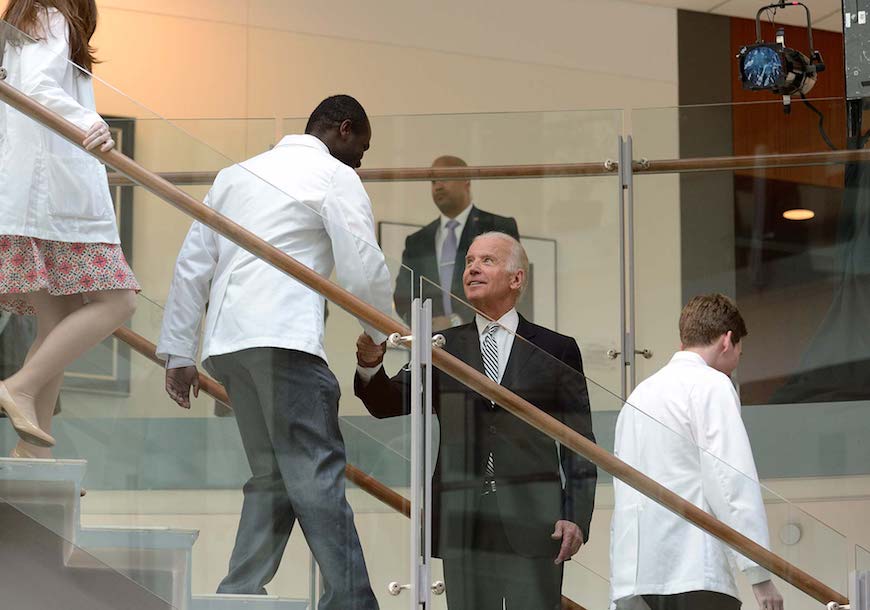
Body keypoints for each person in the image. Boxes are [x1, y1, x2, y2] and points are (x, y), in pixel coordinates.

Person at [156, 95, 391, 610]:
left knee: (274, 476)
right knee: (318, 471)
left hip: (229, 347)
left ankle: (239, 593)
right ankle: (352, 602)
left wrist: (178, 352)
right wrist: (383, 333)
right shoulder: (333, 175)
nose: (361, 162)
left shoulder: (236, 174)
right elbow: (361, 263)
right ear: (344, 130)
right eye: (362, 148)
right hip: (284, 341)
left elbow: (194, 263)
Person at [356, 232, 597, 610]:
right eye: (469, 261)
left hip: (535, 522)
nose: (472, 269)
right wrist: (370, 365)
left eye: (487, 260)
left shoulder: (556, 348)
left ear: (516, 279)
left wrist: (575, 515)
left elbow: (581, 443)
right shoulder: (441, 346)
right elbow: (388, 402)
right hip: (463, 521)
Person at [0, 0, 139, 456]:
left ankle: (34, 452)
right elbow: (39, 87)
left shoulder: (17, 28)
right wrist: (90, 121)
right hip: (55, 200)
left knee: (55, 321)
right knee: (118, 300)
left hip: (27, 196)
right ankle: (18, 386)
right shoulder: (52, 18)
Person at [610, 294, 784, 610]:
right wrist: (759, 574)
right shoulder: (712, 384)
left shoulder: (639, 395)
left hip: (636, 573)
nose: (735, 365)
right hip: (694, 567)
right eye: (740, 356)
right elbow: (730, 479)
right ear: (728, 341)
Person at [393, 155, 519, 328]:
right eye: (433, 181)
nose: (438, 186)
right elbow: (402, 296)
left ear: (466, 179)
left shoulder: (497, 227)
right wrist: (425, 325)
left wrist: (457, 321)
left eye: (444, 178)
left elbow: (509, 287)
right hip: (431, 344)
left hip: (486, 339)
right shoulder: (417, 241)